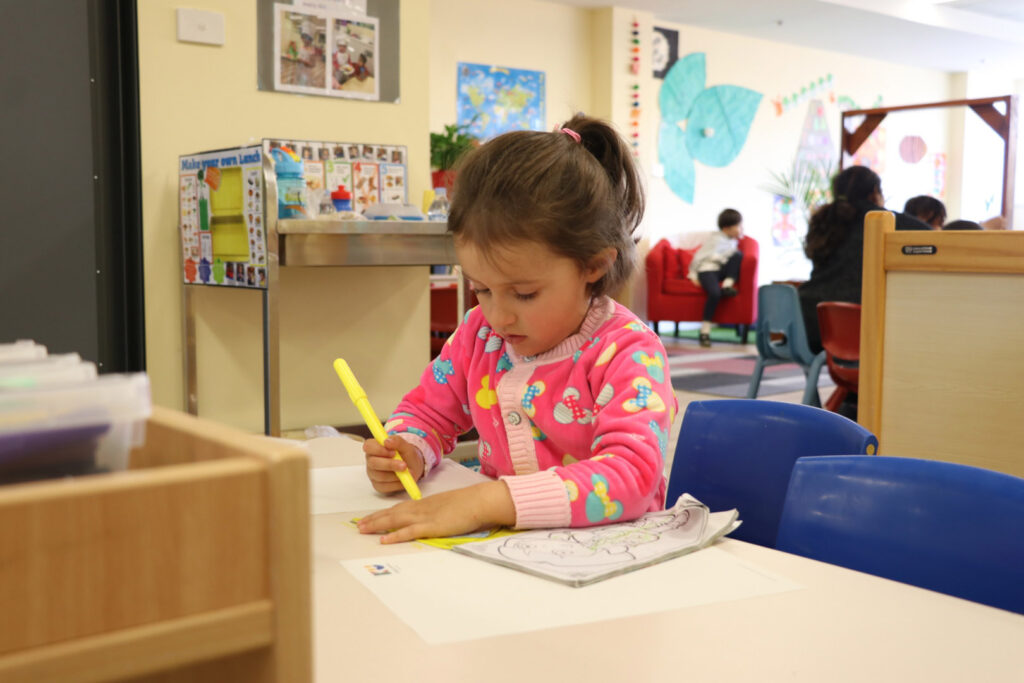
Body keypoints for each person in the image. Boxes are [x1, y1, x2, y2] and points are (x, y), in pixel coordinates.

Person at [356, 114, 677, 544]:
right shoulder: (479, 333)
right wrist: (407, 450)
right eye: (481, 289)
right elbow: (429, 412)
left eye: (524, 294)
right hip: (509, 552)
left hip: (612, 556)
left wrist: (486, 502)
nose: (498, 316)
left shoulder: (628, 352)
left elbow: (631, 476)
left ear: (594, 265)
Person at [798, 165, 929, 354]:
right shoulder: (886, 221)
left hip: (809, 320)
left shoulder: (823, 219)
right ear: (875, 192)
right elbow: (931, 237)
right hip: (855, 327)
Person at [687, 208, 744, 347]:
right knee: (714, 293)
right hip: (707, 270)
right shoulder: (715, 240)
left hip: (720, 271)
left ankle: (727, 285)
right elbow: (698, 258)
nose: (741, 229)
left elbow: (731, 259)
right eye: (738, 226)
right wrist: (693, 276)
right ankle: (704, 331)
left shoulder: (732, 242)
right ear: (726, 228)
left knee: (737, 255)